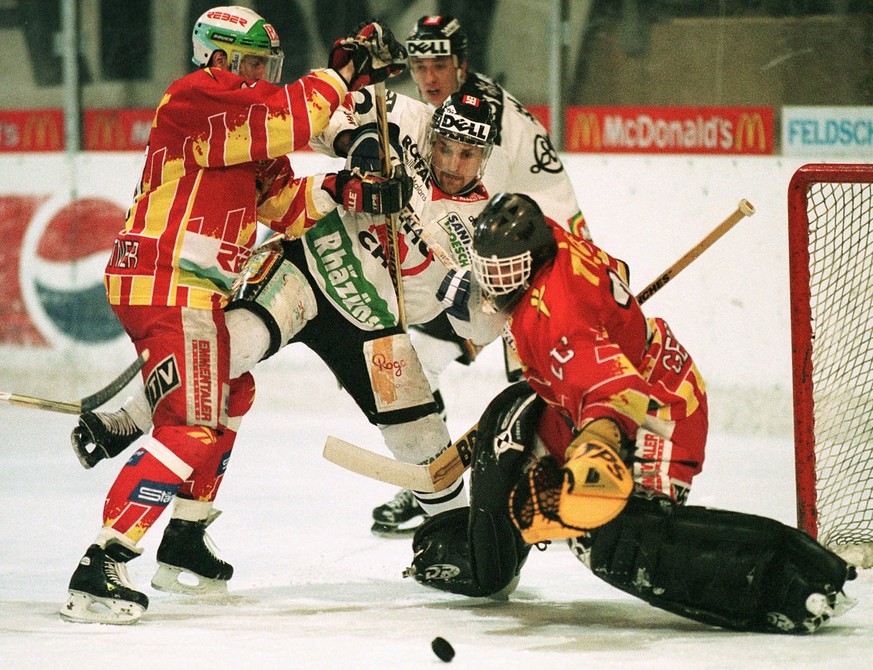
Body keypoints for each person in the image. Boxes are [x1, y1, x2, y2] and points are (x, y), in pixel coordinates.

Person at [69, 90, 505, 586]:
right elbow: (313, 118)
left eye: (465, 154)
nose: (449, 161)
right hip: (305, 264)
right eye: (445, 147)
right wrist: (354, 138)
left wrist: (461, 295)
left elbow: (485, 325)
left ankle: (454, 539)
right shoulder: (404, 118)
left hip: (372, 321)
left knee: (422, 436)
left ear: (485, 156)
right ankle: (125, 420)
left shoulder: (482, 226)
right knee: (228, 353)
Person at [60, 6, 407, 625]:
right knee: (193, 423)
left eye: (265, 65)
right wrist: (340, 77)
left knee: (231, 393)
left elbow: (282, 202)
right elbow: (294, 116)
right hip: (170, 283)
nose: (261, 76)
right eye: (250, 63)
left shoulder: (241, 126)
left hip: (190, 289)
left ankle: (186, 541)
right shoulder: (195, 99)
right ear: (216, 58)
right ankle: (102, 562)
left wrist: (350, 190)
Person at [404, 192, 857, 634]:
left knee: (607, 539)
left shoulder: (554, 321)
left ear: (528, 262)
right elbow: (616, 271)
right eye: (489, 272)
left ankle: (789, 576)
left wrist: (588, 465)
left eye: (504, 273)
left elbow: (617, 396)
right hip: (619, 373)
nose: (495, 285)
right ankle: (491, 556)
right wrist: (601, 320)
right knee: (510, 423)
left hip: (659, 410)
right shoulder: (553, 241)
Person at [369, 14, 589, 535]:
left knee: (537, 373)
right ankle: (432, 475)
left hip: (541, 259)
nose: (427, 76)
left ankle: (561, 479)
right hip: (505, 257)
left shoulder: (490, 122)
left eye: (439, 64)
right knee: (420, 357)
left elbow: (481, 217)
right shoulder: (447, 112)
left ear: (461, 64)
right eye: (418, 65)